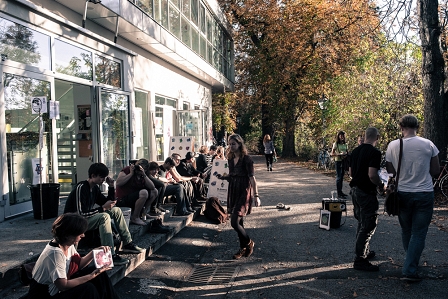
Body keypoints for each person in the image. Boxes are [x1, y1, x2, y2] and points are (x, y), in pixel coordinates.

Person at [385, 114, 439, 282]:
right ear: (417, 127)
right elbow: (436, 171)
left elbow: (390, 171)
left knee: (407, 230)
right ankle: (410, 269)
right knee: (419, 232)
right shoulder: (429, 145)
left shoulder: (393, 145)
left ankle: (411, 262)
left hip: (402, 194)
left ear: (401, 128)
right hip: (424, 193)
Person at [64, 163, 143, 266]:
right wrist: (103, 208)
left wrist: (111, 187)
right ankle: (109, 255)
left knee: (116, 210)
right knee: (104, 217)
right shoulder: (81, 187)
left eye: (104, 177)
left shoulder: (95, 188)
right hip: (73, 221)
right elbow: (81, 213)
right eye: (101, 177)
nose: (103, 179)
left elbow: (106, 202)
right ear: (93, 176)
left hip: (83, 219)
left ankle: (128, 243)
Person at [26, 213, 121, 299]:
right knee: (88, 289)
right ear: (68, 235)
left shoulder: (66, 243)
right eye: (80, 233)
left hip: (58, 288)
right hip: (45, 295)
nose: (83, 235)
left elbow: (78, 265)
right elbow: (63, 285)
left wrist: (93, 253)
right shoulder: (55, 254)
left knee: (100, 275)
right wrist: (92, 275)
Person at [217, 134, 260, 259]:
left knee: (234, 222)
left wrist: (256, 195)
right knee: (240, 221)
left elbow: (252, 178)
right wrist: (224, 177)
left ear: (240, 144)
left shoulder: (247, 159)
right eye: (230, 144)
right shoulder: (230, 159)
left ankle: (249, 242)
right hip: (233, 191)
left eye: (233, 144)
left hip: (244, 191)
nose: (231, 146)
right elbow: (232, 175)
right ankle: (243, 248)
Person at [349, 127, 384, 272]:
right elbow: (372, 175)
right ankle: (360, 259)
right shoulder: (375, 153)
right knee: (368, 224)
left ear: (364, 136)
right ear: (377, 137)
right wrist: (381, 185)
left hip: (354, 190)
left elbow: (350, 172)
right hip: (366, 191)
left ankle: (364, 251)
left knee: (361, 222)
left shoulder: (356, 151)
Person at [115, 159, 158, 225]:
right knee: (144, 193)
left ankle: (143, 213)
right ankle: (135, 217)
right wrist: (131, 174)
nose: (138, 170)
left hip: (134, 199)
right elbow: (118, 183)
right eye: (138, 167)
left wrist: (144, 174)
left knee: (154, 192)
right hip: (123, 199)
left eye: (142, 168)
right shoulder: (127, 170)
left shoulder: (142, 175)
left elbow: (152, 187)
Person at [331, 130, 349, 198]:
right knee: (339, 177)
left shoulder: (345, 144)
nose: (342, 137)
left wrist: (346, 154)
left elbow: (347, 152)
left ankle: (341, 192)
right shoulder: (336, 144)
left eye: (343, 136)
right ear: (338, 136)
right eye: (340, 136)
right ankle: (339, 192)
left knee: (342, 177)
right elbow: (332, 154)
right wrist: (339, 154)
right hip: (338, 161)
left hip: (344, 161)